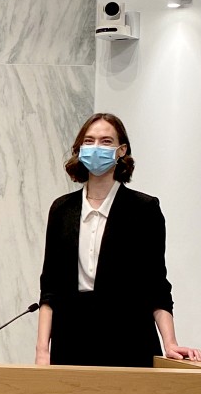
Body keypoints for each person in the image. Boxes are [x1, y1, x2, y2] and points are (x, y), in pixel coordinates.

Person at [37, 113, 200, 367]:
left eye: (105, 141)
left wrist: (170, 343)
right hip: (71, 341)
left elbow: (155, 285)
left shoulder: (144, 209)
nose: (95, 148)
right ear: (79, 149)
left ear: (121, 150)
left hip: (128, 341)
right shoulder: (61, 209)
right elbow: (50, 289)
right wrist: (42, 352)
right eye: (89, 141)